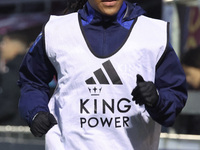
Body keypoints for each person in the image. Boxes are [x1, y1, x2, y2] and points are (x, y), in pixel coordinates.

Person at [18, 0, 188, 149]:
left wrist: (157, 100)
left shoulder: (153, 34)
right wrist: (35, 112)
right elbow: (32, 81)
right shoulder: (56, 31)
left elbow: (174, 94)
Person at [0, 31, 29, 125]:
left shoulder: (13, 73)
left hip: (12, 132)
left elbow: (8, 106)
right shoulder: (33, 70)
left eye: (4, 43)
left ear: (15, 46)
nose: (1, 47)